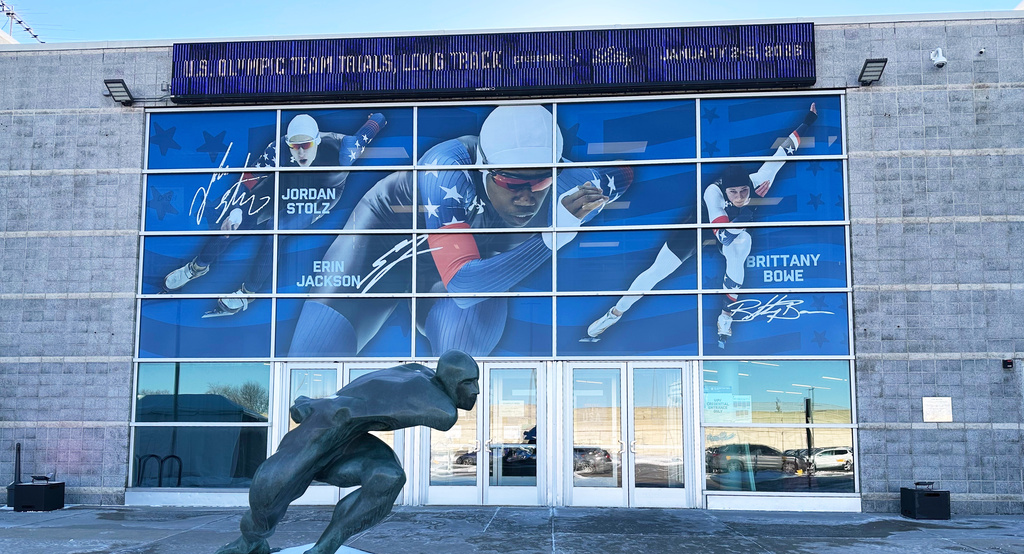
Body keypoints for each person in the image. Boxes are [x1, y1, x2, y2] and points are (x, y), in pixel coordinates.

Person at [286, 104, 631, 358]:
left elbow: (619, 177)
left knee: (460, 365)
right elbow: (464, 286)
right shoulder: (447, 169)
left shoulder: (574, 187)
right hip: (381, 245)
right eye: (511, 182)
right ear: (482, 168)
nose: (526, 197)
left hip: (463, 268)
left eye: (539, 181)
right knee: (308, 370)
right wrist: (555, 234)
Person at [208, 350, 479, 554]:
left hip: (348, 439)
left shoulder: (416, 370)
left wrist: (319, 403)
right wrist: (320, 406)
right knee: (267, 497)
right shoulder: (442, 407)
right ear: (451, 380)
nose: (476, 391)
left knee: (388, 477)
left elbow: (370, 392)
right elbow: (438, 416)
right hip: (323, 431)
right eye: (468, 383)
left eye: (476, 381)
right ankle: (250, 543)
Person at [583, 102, 818, 349]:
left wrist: (808, 121)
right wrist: (742, 219)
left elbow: (785, 149)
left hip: (732, 231)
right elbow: (723, 234)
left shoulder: (761, 178)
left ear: (750, 185)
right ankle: (614, 314)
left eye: (743, 191)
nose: (739, 196)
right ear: (725, 191)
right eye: (734, 192)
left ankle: (726, 316)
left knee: (742, 245)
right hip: (698, 227)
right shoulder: (713, 194)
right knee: (657, 271)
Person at [161, 112, 386, 317]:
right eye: (294, 146)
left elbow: (369, 131)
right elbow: (251, 176)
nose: (300, 152)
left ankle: (248, 292)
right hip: (284, 185)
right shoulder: (277, 149)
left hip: (319, 194)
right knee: (232, 223)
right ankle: (197, 267)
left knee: (274, 232)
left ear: (317, 141)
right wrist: (237, 206)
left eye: (306, 145)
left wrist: (377, 117)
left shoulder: (344, 148)